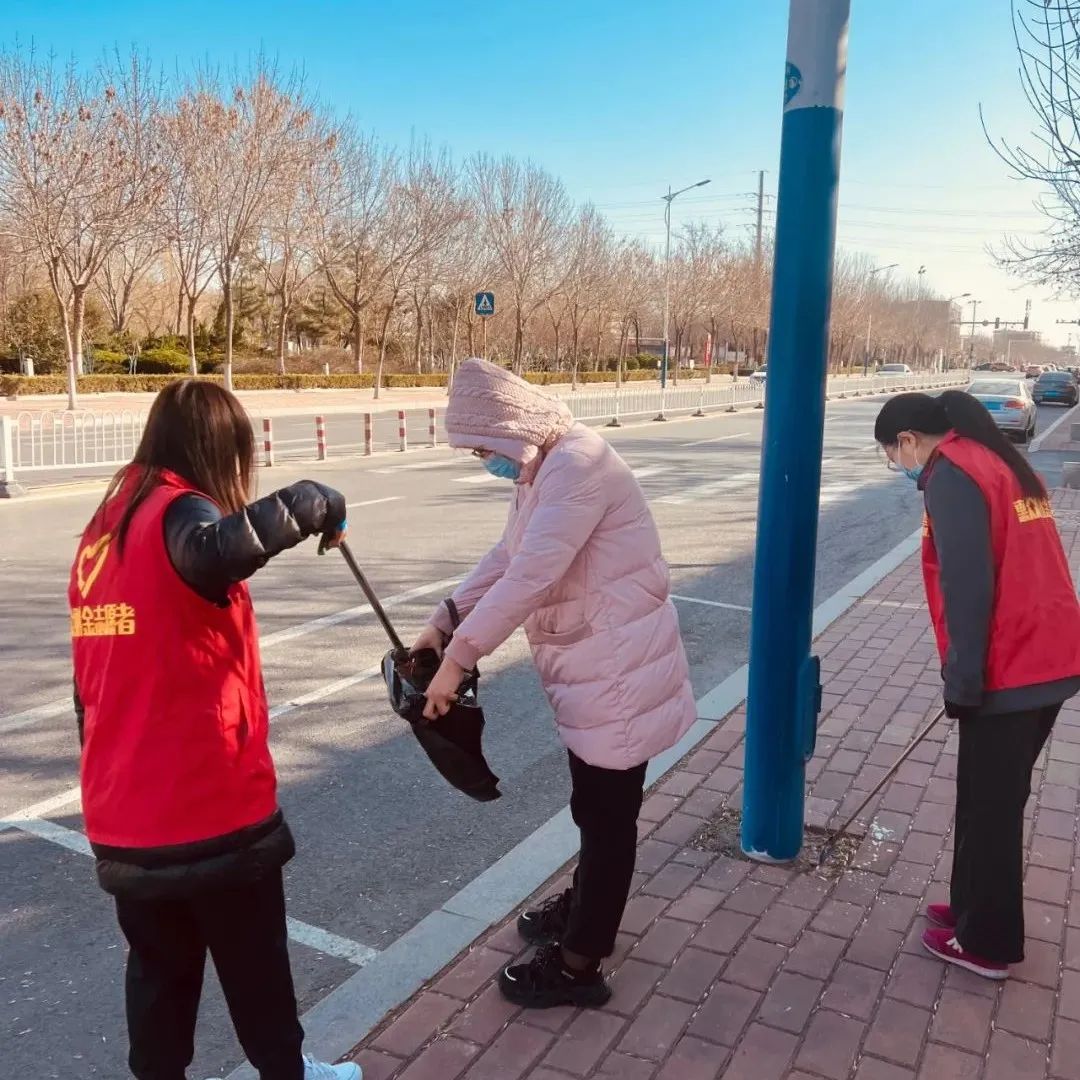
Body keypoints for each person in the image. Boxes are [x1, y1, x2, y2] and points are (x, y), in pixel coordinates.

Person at [69, 380, 359, 1080]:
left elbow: (89, 683)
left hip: (122, 805)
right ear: (218, 448)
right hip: (206, 803)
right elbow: (218, 549)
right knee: (256, 969)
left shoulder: (104, 530)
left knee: (159, 981)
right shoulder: (181, 512)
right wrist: (315, 501)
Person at [412, 358, 697, 1008]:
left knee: (606, 815)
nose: (484, 459)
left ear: (510, 428)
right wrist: (444, 618)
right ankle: (587, 905)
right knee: (596, 808)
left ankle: (579, 963)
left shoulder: (576, 467)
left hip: (617, 671)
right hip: (598, 668)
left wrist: (457, 661)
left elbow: (531, 574)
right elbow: (507, 553)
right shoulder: (545, 466)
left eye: (485, 447)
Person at [875, 389, 1080, 980]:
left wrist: (964, 680)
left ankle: (987, 943)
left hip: (1014, 664)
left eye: (893, 454)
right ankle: (969, 909)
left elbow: (969, 587)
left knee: (989, 808)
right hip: (1047, 654)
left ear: (910, 440)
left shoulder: (955, 475)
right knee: (988, 796)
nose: (898, 465)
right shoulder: (996, 463)